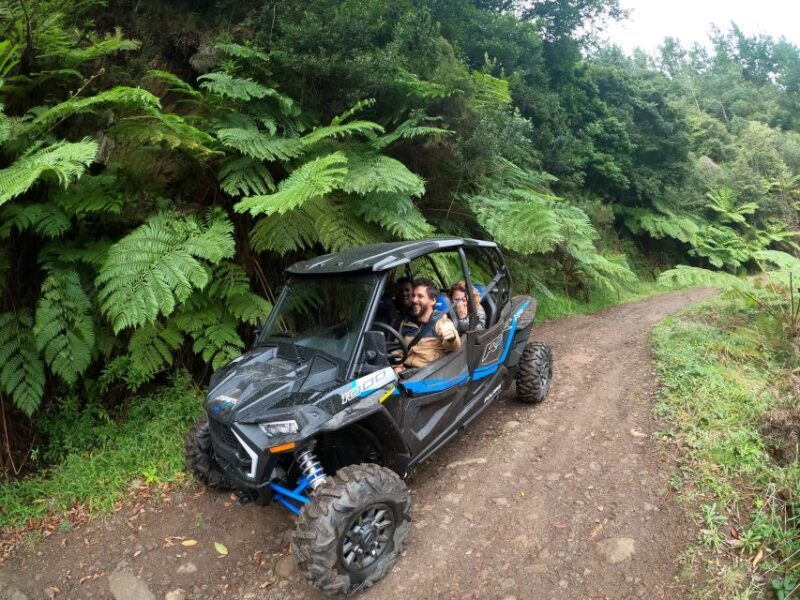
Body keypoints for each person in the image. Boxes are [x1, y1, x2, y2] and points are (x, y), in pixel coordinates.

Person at [396, 278, 461, 371]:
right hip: (403, 373)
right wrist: (397, 367)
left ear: (433, 300)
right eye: (413, 295)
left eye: (420, 296)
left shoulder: (441, 321)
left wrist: (452, 338)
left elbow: (455, 346)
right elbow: (397, 349)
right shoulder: (406, 322)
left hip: (426, 374)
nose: (414, 300)